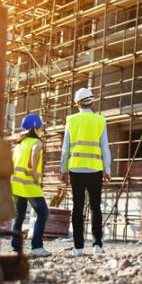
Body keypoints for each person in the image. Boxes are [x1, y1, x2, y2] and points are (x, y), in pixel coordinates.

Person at [60, 87, 111, 256]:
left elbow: (65, 149)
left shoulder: (71, 120)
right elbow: (105, 147)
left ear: (77, 104)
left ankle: (78, 247)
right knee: (95, 207)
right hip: (95, 169)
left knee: (77, 207)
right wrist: (107, 168)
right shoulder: (100, 120)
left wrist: (63, 169)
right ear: (92, 101)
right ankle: (97, 245)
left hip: (75, 169)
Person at [10, 114, 51, 257]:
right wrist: (34, 172)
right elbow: (34, 154)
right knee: (43, 213)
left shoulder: (20, 144)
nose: (41, 129)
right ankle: (37, 247)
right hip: (29, 184)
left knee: (19, 215)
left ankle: (15, 248)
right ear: (35, 127)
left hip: (16, 184)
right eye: (40, 127)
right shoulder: (36, 143)